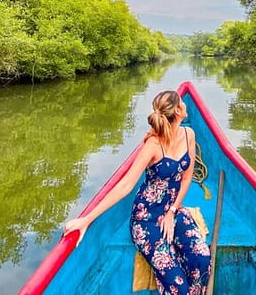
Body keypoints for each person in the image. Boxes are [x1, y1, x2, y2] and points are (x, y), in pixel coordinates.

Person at [63, 90, 211, 294]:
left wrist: (173, 211)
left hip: (172, 211)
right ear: (178, 110)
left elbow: (186, 178)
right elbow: (125, 186)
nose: (186, 106)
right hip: (146, 219)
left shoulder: (189, 135)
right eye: (182, 104)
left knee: (202, 259)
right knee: (178, 285)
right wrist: (86, 219)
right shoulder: (153, 144)